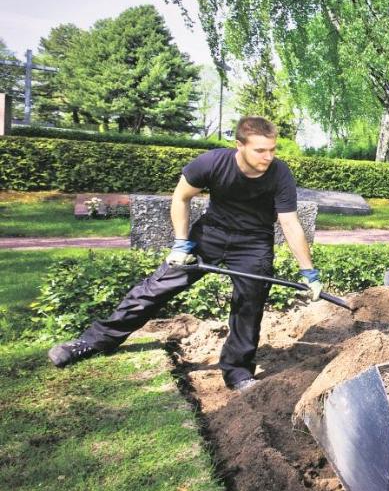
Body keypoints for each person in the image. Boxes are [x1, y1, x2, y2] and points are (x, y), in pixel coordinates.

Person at [47, 116, 323, 392]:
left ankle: (238, 371)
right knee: (158, 287)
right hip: (210, 234)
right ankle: (94, 341)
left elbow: (289, 222)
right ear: (239, 145)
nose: (268, 157)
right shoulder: (212, 163)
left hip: (253, 242)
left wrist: (308, 272)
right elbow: (181, 197)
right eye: (260, 150)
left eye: (272, 150)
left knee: (250, 304)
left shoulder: (280, 174)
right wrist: (181, 243)